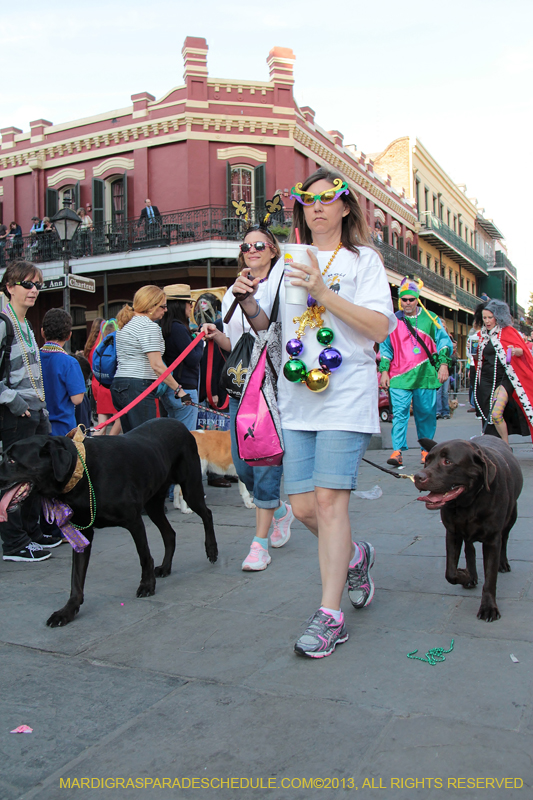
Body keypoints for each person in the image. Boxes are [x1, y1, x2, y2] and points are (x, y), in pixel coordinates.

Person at [228, 167, 397, 657]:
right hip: (296, 399)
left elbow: (379, 327)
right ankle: (355, 555)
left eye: (328, 198)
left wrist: (325, 293)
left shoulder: (363, 260)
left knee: (328, 503)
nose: (318, 206)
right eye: (309, 199)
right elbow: (268, 326)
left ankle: (330, 615)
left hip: (345, 396)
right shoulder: (286, 262)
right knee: (302, 507)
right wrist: (248, 302)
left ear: (345, 207)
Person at [202, 224, 294, 572]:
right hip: (242, 385)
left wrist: (250, 300)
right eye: (246, 246)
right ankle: (280, 510)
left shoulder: (282, 284)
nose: (251, 250)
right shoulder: (232, 291)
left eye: (259, 245)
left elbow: (270, 334)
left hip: (272, 385)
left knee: (265, 460)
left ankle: (259, 543)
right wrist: (216, 335)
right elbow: (235, 344)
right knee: (242, 465)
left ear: (273, 250)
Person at [0, 261, 62, 562]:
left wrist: (41, 407)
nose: (34, 290)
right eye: (27, 284)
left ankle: (32, 532)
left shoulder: (24, 324)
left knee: (36, 475)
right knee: (14, 477)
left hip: (35, 412)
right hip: (16, 414)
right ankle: (14, 543)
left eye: (38, 285)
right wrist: (16, 403)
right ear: (9, 287)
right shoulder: (4, 322)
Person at [379, 277, 452, 467]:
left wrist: (443, 365)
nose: (407, 303)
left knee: (426, 413)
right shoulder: (393, 321)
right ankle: (397, 451)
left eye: (411, 299)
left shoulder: (432, 318)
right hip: (399, 376)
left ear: (417, 299)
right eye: (404, 300)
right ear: (400, 300)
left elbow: (444, 342)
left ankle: (427, 451)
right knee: (399, 413)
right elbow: (385, 347)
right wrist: (384, 371)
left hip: (425, 374)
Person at [110, 285, 186, 433]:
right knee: (146, 437)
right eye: (163, 306)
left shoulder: (125, 325)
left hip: (120, 384)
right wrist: (179, 390)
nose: (166, 310)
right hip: (138, 384)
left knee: (131, 438)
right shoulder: (148, 326)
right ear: (151, 306)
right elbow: (157, 365)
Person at [473, 299, 533, 444]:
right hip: (486, 379)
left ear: (498, 317)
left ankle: (504, 446)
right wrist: (473, 351)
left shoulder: (508, 332)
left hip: (504, 379)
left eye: (490, 317)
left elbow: (523, 352)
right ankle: (497, 444)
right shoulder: (480, 336)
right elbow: (478, 360)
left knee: (496, 412)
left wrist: (516, 351)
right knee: (488, 415)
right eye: (484, 318)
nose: (487, 321)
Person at [160, 284, 204, 431]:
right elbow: (193, 359)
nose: (191, 307)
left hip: (169, 388)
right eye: (189, 303)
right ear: (179, 305)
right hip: (184, 389)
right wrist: (200, 341)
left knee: (172, 435)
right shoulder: (178, 328)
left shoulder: (164, 326)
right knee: (186, 436)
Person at [40, 309, 86, 435]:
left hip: (39, 428)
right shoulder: (70, 362)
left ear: (42, 332)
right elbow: (77, 399)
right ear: (69, 335)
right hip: (63, 429)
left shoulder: (33, 359)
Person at [466, 303, 486, 412]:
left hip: (481, 365)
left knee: (477, 388)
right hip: (476, 365)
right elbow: (471, 355)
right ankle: (478, 409)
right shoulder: (474, 337)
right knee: (477, 388)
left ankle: (479, 409)